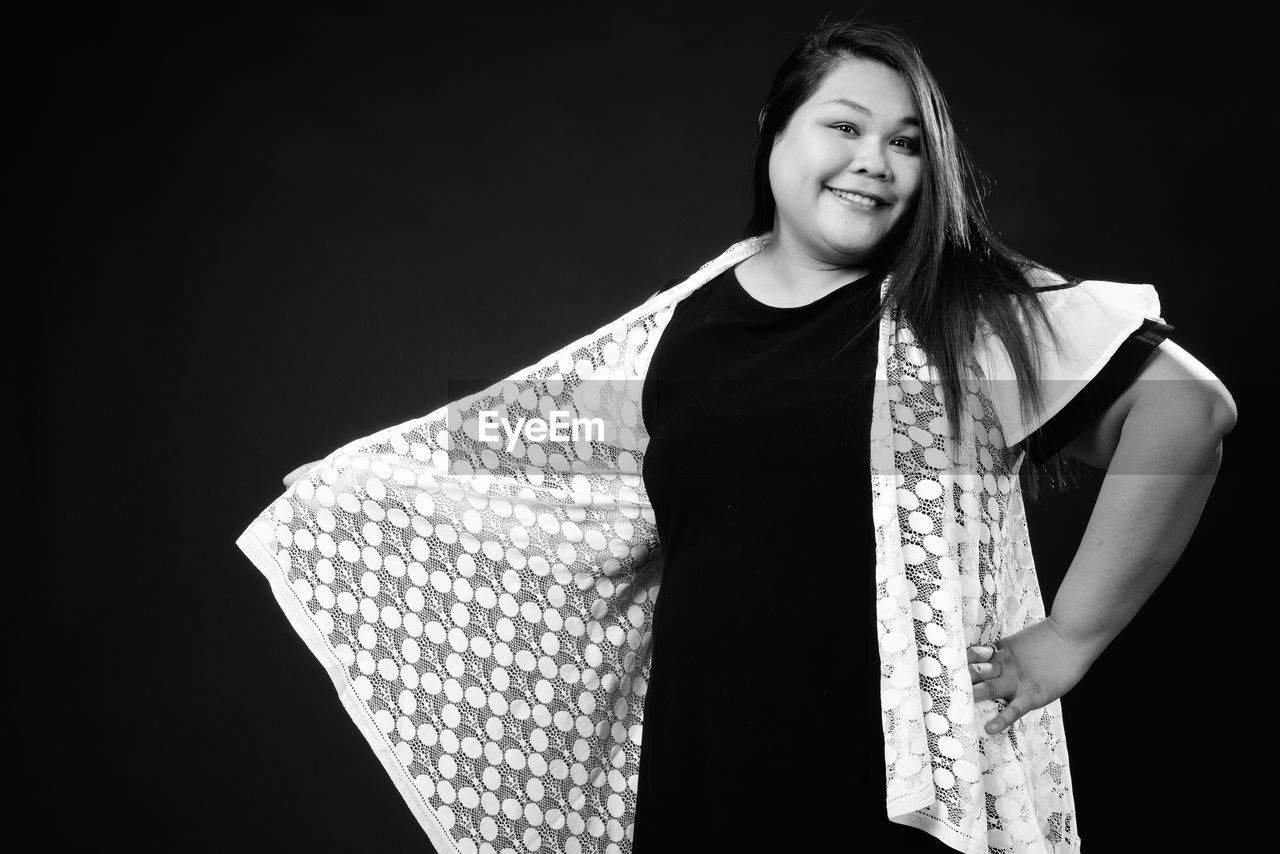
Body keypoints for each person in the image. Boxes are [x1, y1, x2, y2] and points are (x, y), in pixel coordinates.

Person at [249, 18, 1236, 854]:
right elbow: (528, 443)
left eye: (905, 143)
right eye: (842, 126)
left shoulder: (960, 311)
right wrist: (360, 481)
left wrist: (1069, 636)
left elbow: (1185, 412)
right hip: (703, 782)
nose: (873, 162)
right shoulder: (683, 323)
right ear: (774, 130)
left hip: (885, 794)